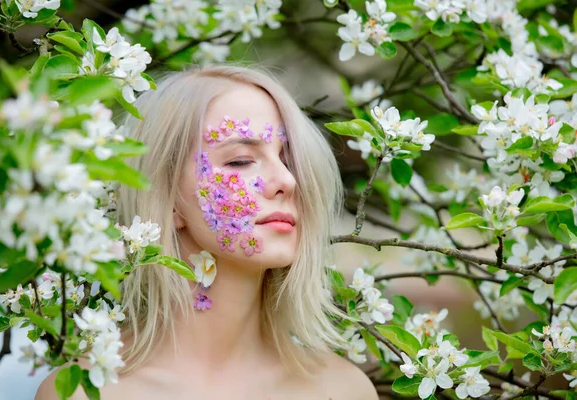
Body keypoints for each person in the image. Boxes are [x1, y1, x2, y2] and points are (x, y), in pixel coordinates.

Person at [36, 65, 379, 399]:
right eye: (241, 161)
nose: (287, 181)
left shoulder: (343, 390)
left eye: (290, 160)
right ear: (167, 197)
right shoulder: (84, 391)